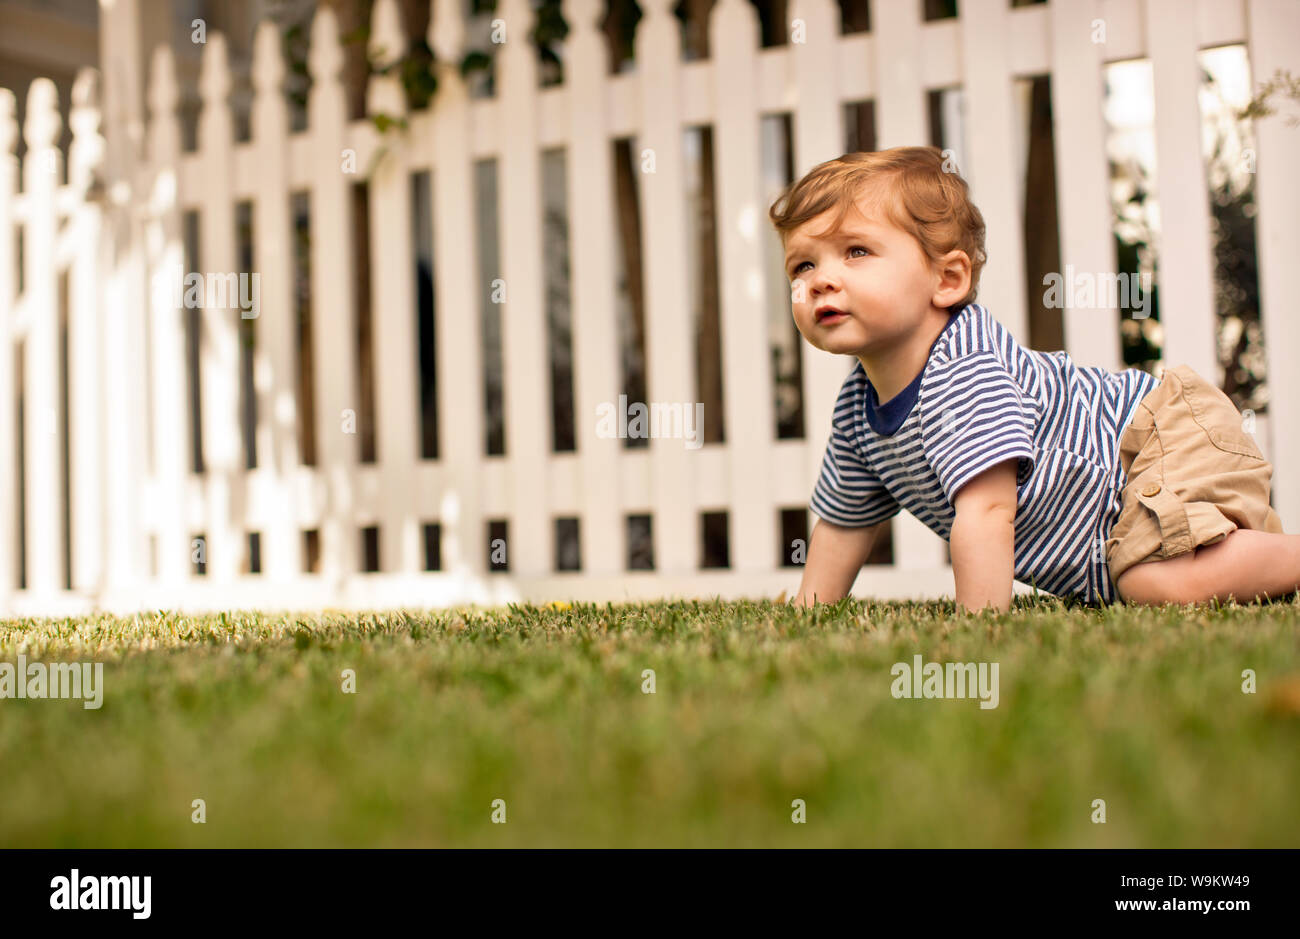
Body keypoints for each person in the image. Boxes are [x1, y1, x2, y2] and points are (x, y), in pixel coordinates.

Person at [770, 146, 1299, 610]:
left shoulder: (963, 372)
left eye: (856, 251)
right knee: (1137, 579)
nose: (820, 282)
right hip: (1128, 494)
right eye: (803, 266)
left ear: (948, 278)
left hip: (1159, 436)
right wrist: (809, 614)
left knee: (1148, 581)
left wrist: (979, 632)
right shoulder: (857, 406)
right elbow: (846, 523)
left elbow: (989, 508)